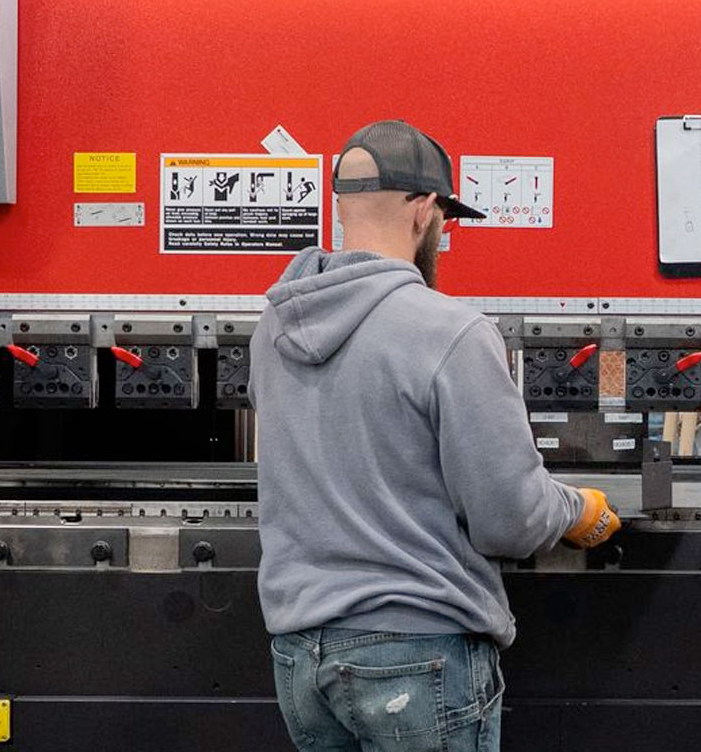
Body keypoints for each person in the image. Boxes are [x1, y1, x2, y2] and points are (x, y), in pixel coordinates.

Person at [252, 120, 621, 751]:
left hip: (300, 656)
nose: (446, 236)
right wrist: (575, 508)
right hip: (415, 655)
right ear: (424, 211)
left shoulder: (273, 329)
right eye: (446, 219)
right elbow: (508, 517)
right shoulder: (448, 330)